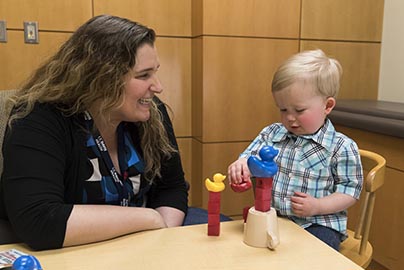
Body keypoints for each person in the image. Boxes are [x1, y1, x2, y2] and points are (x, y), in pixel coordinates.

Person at [0, 15, 189, 250]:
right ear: (101, 78)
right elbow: (39, 219)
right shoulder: (38, 118)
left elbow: (172, 188)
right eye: (143, 75)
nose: (158, 87)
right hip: (71, 250)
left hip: (140, 243)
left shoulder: (152, 113)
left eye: (155, 72)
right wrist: (149, 218)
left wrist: (163, 239)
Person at [227, 49, 363, 250]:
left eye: (299, 110)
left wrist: (318, 206)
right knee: (247, 251)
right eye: (283, 109)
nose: (290, 118)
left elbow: (350, 191)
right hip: (274, 220)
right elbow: (248, 156)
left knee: (314, 255)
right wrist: (240, 165)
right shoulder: (272, 133)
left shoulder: (342, 147)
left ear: (327, 105)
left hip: (318, 224)